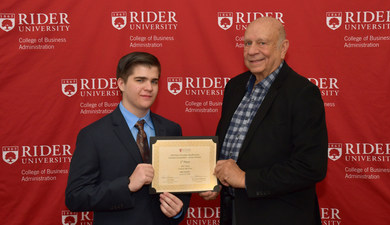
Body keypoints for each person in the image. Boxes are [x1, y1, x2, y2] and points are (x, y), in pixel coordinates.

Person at [199, 17, 328, 225]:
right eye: (247, 43)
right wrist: (214, 180)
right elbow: (228, 150)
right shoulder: (234, 88)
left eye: (262, 43)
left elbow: (311, 166)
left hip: (280, 217)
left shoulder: (303, 93)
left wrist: (245, 179)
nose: (252, 51)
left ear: (283, 47)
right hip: (233, 214)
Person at [65, 52, 191, 225]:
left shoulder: (171, 129)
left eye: (154, 81)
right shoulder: (93, 135)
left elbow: (181, 185)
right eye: (140, 80)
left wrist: (178, 210)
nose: (149, 87)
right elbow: (75, 197)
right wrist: (128, 185)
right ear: (121, 84)